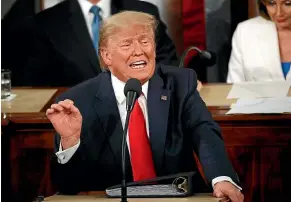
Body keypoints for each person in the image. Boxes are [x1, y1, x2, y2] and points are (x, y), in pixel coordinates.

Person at [46, 11, 244, 202]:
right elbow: (68, 187)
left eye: (144, 41)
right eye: (126, 44)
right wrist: (70, 142)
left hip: (177, 198)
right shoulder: (79, 101)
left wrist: (222, 178)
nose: (139, 51)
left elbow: (204, 132)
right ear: (106, 56)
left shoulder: (180, 84)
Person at [2, 0, 177, 86]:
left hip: (140, 119)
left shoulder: (144, 12)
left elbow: (168, 64)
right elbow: (35, 84)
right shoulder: (46, 23)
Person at [227, 0, 291, 83]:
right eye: (271, 3)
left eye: (288, 4)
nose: (279, 13)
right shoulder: (245, 31)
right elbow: (234, 85)